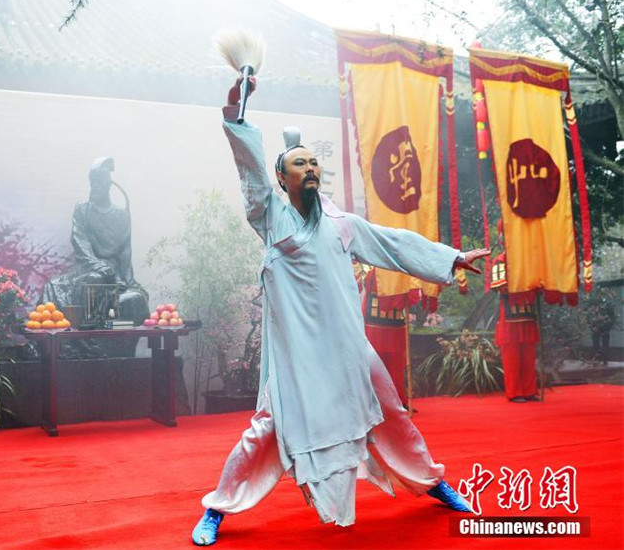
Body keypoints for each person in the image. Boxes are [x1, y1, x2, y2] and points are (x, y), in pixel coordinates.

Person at [191, 78, 489, 545]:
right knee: (265, 430)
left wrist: (450, 258)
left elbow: (394, 244)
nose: (310, 169)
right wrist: (236, 109)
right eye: (298, 164)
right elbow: (249, 169)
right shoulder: (269, 216)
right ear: (282, 178)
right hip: (297, 358)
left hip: (347, 348)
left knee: (390, 413)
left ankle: (434, 483)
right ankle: (218, 509)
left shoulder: (343, 225)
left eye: (313, 163)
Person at [40, 157, 149, 326]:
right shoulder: (82, 210)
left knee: (136, 298)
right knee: (94, 279)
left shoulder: (122, 216)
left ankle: (108, 325)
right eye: (92, 183)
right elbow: (80, 242)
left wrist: (130, 282)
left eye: (98, 184)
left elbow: (125, 255)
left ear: (108, 185)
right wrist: (98, 265)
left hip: (115, 276)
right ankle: (91, 326)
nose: (94, 188)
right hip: (90, 270)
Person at [490, 251, 540, 403]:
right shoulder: (500, 260)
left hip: (528, 314)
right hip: (510, 316)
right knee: (512, 357)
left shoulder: (529, 258)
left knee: (529, 356)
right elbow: (501, 287)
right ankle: (514, 392)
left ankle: (530, 390)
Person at [361, 267, 411, 408]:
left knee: (395, 366)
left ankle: (397, 400)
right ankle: (375, 401)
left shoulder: (402, 272)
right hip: (375, 323)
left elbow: (411, 297)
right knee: (375, 364)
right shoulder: (373, 272)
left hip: (391, 324)